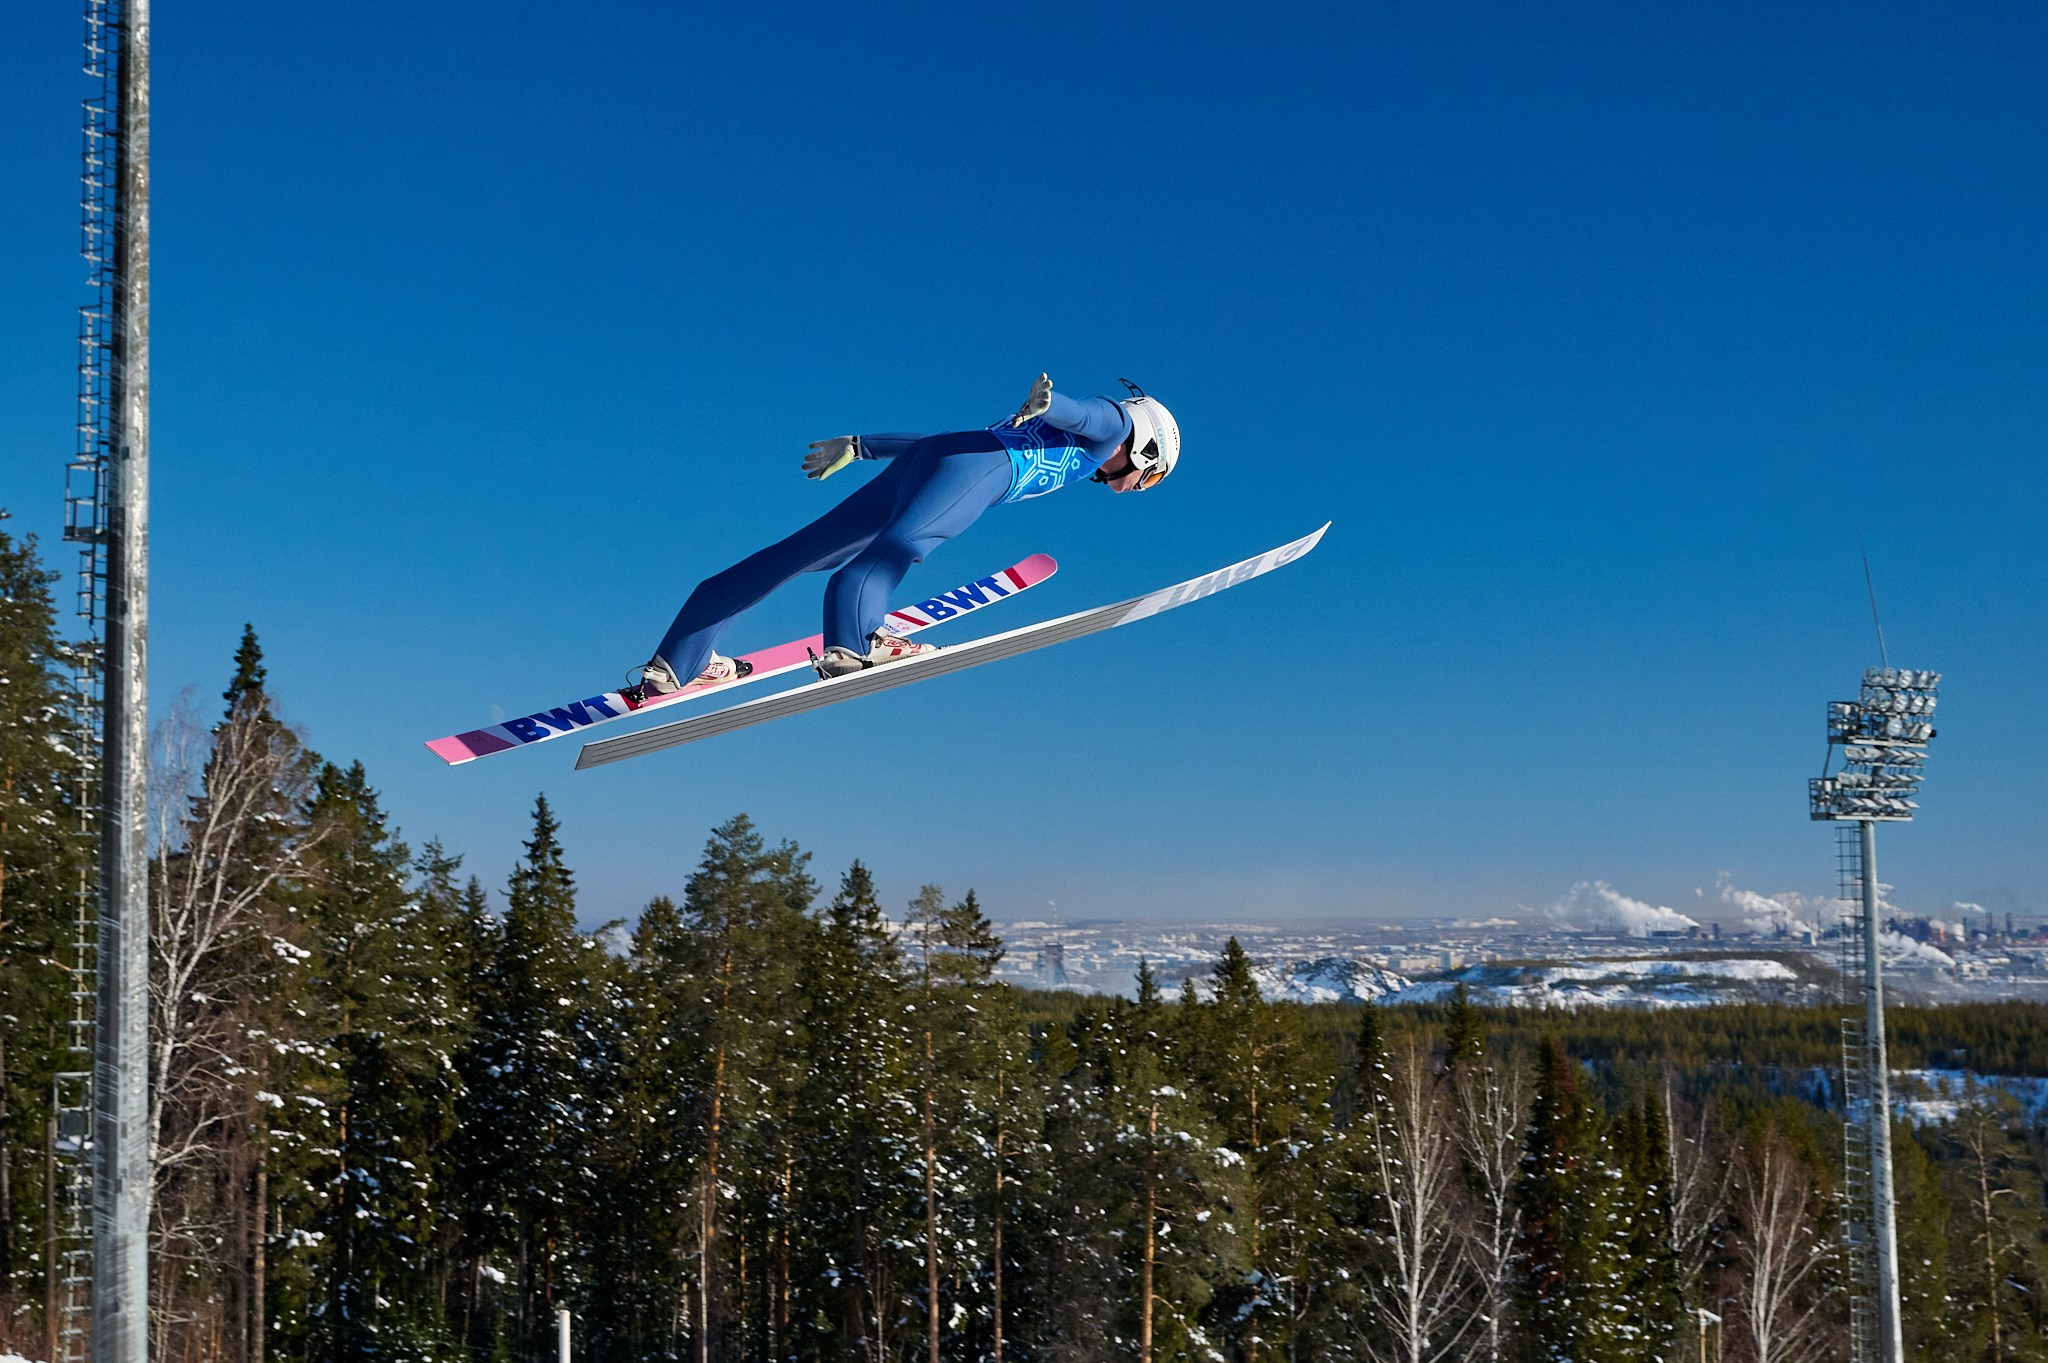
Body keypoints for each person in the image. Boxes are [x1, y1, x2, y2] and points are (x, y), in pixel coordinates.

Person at [631, 373, 1179, 698]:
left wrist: (862, 444)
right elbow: (1098, 417)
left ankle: (678, 660)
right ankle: (852, 645)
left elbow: (944, 442)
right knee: (897, 549)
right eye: (1150, 478)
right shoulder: (1107, 436)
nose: (1134, 487)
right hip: (978, 470)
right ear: (1148, 446)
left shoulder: (1081, 446)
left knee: (799, 553)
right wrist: (1056, 405)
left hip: (939, 455)